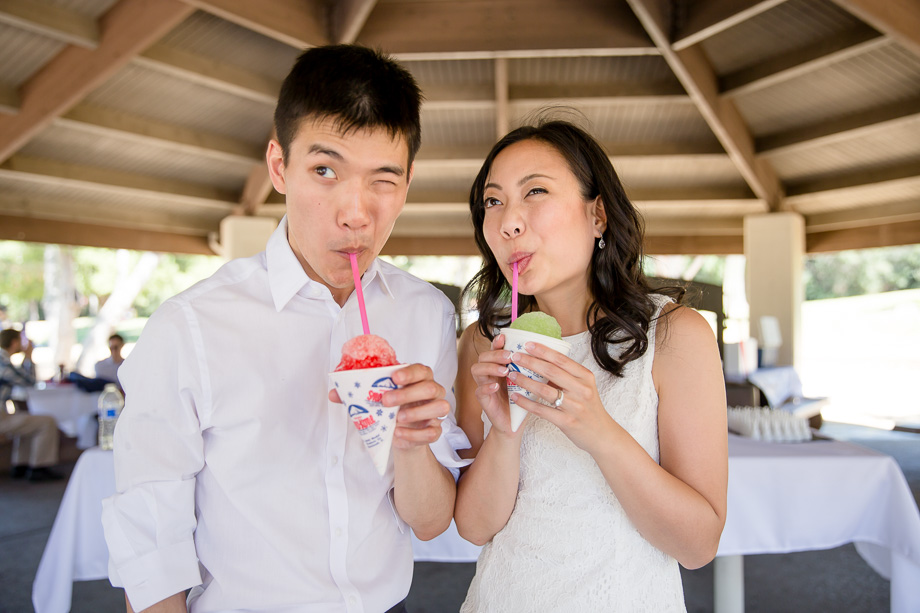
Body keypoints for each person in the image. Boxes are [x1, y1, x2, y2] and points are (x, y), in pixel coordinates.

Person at [101, 45, 470, 613]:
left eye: (383, 181)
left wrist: (412, 444)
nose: (356, 212)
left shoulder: (426, 313)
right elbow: (152, 539)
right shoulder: (192, 325)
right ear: (279, 166)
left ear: (409, 182)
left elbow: (427, 523)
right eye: (325, 170)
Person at [453, 120, 728, 611]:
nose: (508, 221)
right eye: (492, 202)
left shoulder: (674, 336)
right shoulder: (482, 345)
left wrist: (598, 430)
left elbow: (698, 545)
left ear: (597, 214)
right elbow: (475, 528)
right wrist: (505, 431)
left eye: (535, 191)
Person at [0, 328, 63, 482]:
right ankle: (39, 467)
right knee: (47, 421)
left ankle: (21, 465)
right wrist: (28, 357)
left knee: (27, 420)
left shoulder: (4, 361)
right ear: (14, 343)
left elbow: (19, 377)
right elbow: (29, 381)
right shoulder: (2, 362)